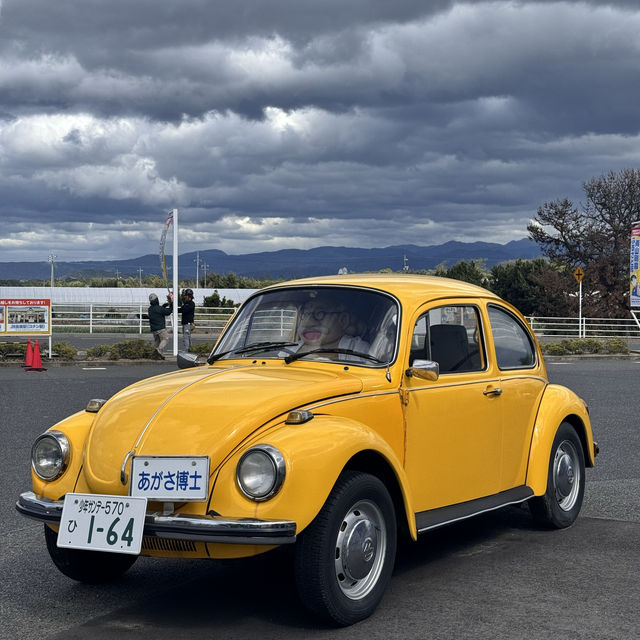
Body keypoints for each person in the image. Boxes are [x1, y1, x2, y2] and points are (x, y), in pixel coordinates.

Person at [294, 297, 369, 359]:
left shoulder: (356, 349)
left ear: (343, 320)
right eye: (305, 314)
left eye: (320, 313)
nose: (308, 323)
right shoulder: (290, 349)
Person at [148, 292, 172, 359]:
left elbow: (159, 312)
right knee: (165, 338)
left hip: (154, 329)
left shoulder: (150, 309)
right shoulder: (159, 308)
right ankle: (159, 350)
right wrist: (172, 305)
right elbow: (168, 312)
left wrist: (163, 306)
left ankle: (156, 355)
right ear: (156, 300)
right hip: (160, 328)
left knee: (157, 341)